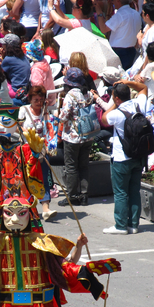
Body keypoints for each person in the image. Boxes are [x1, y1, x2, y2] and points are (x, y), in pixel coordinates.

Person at [101, 81, 149, 235]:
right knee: (134, 190)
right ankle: (133, 225)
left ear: (116, 98)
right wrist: (127, 82)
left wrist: (116, 104)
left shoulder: (117, 113)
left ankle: (120, 226)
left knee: (121, 192)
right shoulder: (139, 105)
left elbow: (103, 118)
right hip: (138, 157)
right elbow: (143, 88)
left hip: (122, 158)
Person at [58, 68, 96, 207]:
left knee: (71, 167)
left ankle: (72, 196)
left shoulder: (70, 96)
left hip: (72, 138)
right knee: (84, 166)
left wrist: (58, 116)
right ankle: (84, 195)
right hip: (87, 136)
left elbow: (63, 117)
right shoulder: (87, 94)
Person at [19, 85, 58, 221]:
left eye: (41, 100)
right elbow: (18, 125)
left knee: (44, 179)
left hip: (41, 151)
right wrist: (25, 132)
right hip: (26, 150)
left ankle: (45, 209)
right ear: (30, 99)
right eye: (36, 100)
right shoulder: (23, 110)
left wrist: (46, 109)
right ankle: (26, 208)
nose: (38, 102)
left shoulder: (44, 112)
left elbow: (50, 127)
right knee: (25, 179)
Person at [95, 0, 142, 70]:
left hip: (119, 52)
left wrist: (99, 12)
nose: (112, 2)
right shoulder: (136, 14)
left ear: (118, 0)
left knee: (117, 78)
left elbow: (103, 29)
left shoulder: (120, 15)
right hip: (131, 50)